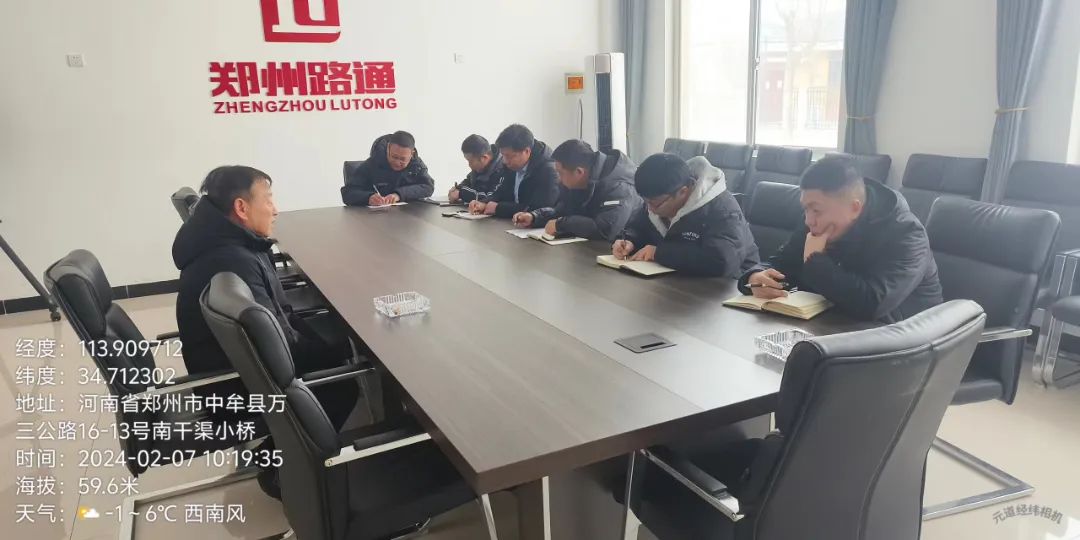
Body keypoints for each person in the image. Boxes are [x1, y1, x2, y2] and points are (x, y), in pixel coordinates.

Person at [173, 166, 359, 429]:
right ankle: (284, 451)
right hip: (238, 388)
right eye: (268, 200)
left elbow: (279, 321)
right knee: (343, 387)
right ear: (241, 208)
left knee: (335, 344)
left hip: (231, 371)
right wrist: (349, 349)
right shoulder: (233, 262)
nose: (275, 210)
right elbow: (279, 350)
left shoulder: (227, 242)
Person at [737, 157, 942, 322]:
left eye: (816, 210)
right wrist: (754, 277)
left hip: (906, 342)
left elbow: (872, 304)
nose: (808, 220)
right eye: (806, 209)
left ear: (855, 207)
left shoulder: (907, 235)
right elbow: (781, 263)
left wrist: (815, 262)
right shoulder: (817, 221)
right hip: (836, 327)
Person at [612, 153, 760, 277]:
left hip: (733, 285)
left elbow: (721, 261)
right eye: (646, 202)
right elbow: (637, 228)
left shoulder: (722, 209)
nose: (650, 208)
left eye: (655, 204)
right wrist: (629, 241)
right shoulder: (658, 197)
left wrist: (659, 253)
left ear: (683, 191)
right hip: (675, 278)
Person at [511, 139, 641, 241]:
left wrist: (561, 224)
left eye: (560, 173)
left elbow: (605, 229)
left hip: (625, 251)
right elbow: (562, 210)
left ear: (579, 172)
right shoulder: (580, 180)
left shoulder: (618, 186)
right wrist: (535, 217)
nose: (558, 180)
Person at [468, 124, 558, 218]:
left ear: (526, 151)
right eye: (503, 155)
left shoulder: (548, 171)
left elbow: (539, 210)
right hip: (513, 222)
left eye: (509, 156)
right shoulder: (511, 165)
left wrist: (499, 208)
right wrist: (483, 203)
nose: (505, 161)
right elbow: (501, 192)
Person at [341, 131, 434, 206]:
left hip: (409, 216)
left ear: (411, 154)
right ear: (388, 148)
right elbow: (348, 193)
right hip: (375, 217)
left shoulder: (416, 164)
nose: (397, 162)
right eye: (394, 157)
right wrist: (368, 197)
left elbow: (428, 187)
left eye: (402, 159)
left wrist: (399, 194)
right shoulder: (373, 163)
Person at [449, 134, 503, 204]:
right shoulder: (479, 169)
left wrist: (461, 194)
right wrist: (457, 189)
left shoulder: (503, 168)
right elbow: (468, 182)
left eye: (470, 161)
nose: (469, 165)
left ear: (484, 158)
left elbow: (490, 197)